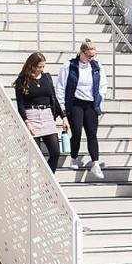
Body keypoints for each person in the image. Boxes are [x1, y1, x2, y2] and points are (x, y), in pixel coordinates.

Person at [56, 39, 108, 180]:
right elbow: (61, 86)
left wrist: (100, 97)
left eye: (93, 56)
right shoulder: (70, 66)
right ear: (82, 52)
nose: (91, 58)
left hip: (91, 104)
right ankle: (74, 158)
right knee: (77, 132)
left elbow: (103, 84)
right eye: (89, 55)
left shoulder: (97, 66)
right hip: (75, 103)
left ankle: (95, 163)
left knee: (92, 134)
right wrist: (62, 107)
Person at [14, 52, 68, 173]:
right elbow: (20, 105)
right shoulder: (22, 80)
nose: (42, 69)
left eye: (43, 66)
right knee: (35, 155)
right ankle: (33, 179)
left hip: (47, 115)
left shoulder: (47, 77)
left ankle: (48, 179)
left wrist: (64, 117)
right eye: (39, 67)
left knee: (55, 152)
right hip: (31, 116)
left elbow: (53, 98)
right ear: (32, 66)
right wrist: (27, 122)